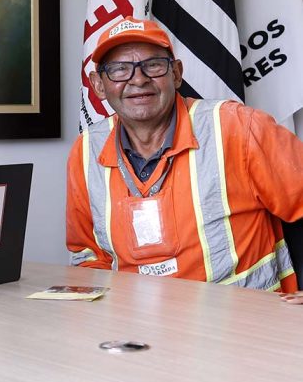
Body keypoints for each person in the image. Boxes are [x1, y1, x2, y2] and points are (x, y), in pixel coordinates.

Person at [66, 16, 303, 298]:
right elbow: (88, 255)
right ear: (99, 85)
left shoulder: (238, 127)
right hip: (136, 325)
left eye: (153, 65)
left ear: (176, 73)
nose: (138, 79)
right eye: (119, 69)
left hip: (242, 325)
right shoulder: (86, 150)